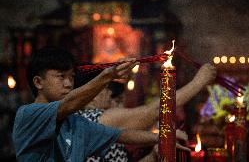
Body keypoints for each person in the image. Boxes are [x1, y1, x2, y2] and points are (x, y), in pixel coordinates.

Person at [12, 47, 187, 162]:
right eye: (60, 77)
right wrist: (108, 75)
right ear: (38, 82)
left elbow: (121, 135)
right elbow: (69, 104)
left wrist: (165, 139)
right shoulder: (28, 114)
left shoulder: (75, 123)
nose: (68, 83)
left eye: (72, 77)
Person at [76, 63, 216, 161]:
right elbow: (152, 111)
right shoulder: (91, 119)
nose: (109, 92)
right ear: (91, 95)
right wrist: (199, 81)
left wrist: (153, 157)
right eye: (105, 88)